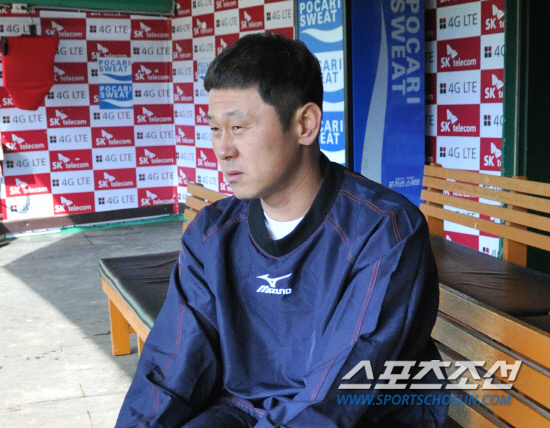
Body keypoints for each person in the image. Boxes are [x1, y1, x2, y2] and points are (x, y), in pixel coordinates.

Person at [115, 33, 449, 427]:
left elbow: (338, 394)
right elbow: (171, 368)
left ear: (305, 124)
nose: (223, 149)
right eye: (215, 129)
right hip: (240, 411)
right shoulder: (212, 234)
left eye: (239, 126)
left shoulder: (383, 231)